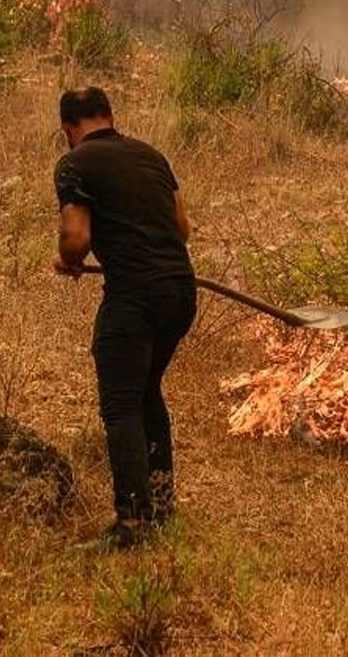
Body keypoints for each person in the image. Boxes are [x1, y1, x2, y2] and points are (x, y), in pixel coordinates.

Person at [53, 86, 196, 548]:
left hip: (135, 295)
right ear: (110, 116)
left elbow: (75, 237)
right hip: (180, 290)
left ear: (68, 130)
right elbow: (181, 229)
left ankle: (132, 522)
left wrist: (69, 258)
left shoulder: (75, 164)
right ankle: (161, 504)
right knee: (146, 390)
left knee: (120, 404)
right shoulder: (151, 155)